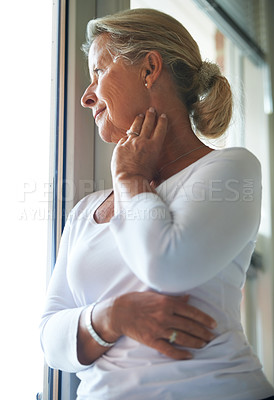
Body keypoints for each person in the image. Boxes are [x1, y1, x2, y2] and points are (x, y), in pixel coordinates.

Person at [40, 8, 274, 400]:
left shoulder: (231, 169)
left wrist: (130, 178)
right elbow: (50, 339)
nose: (86, 96)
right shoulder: (84, 212)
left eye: (98, 71)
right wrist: (112, 316)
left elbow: (167, 266)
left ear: (149, 69)